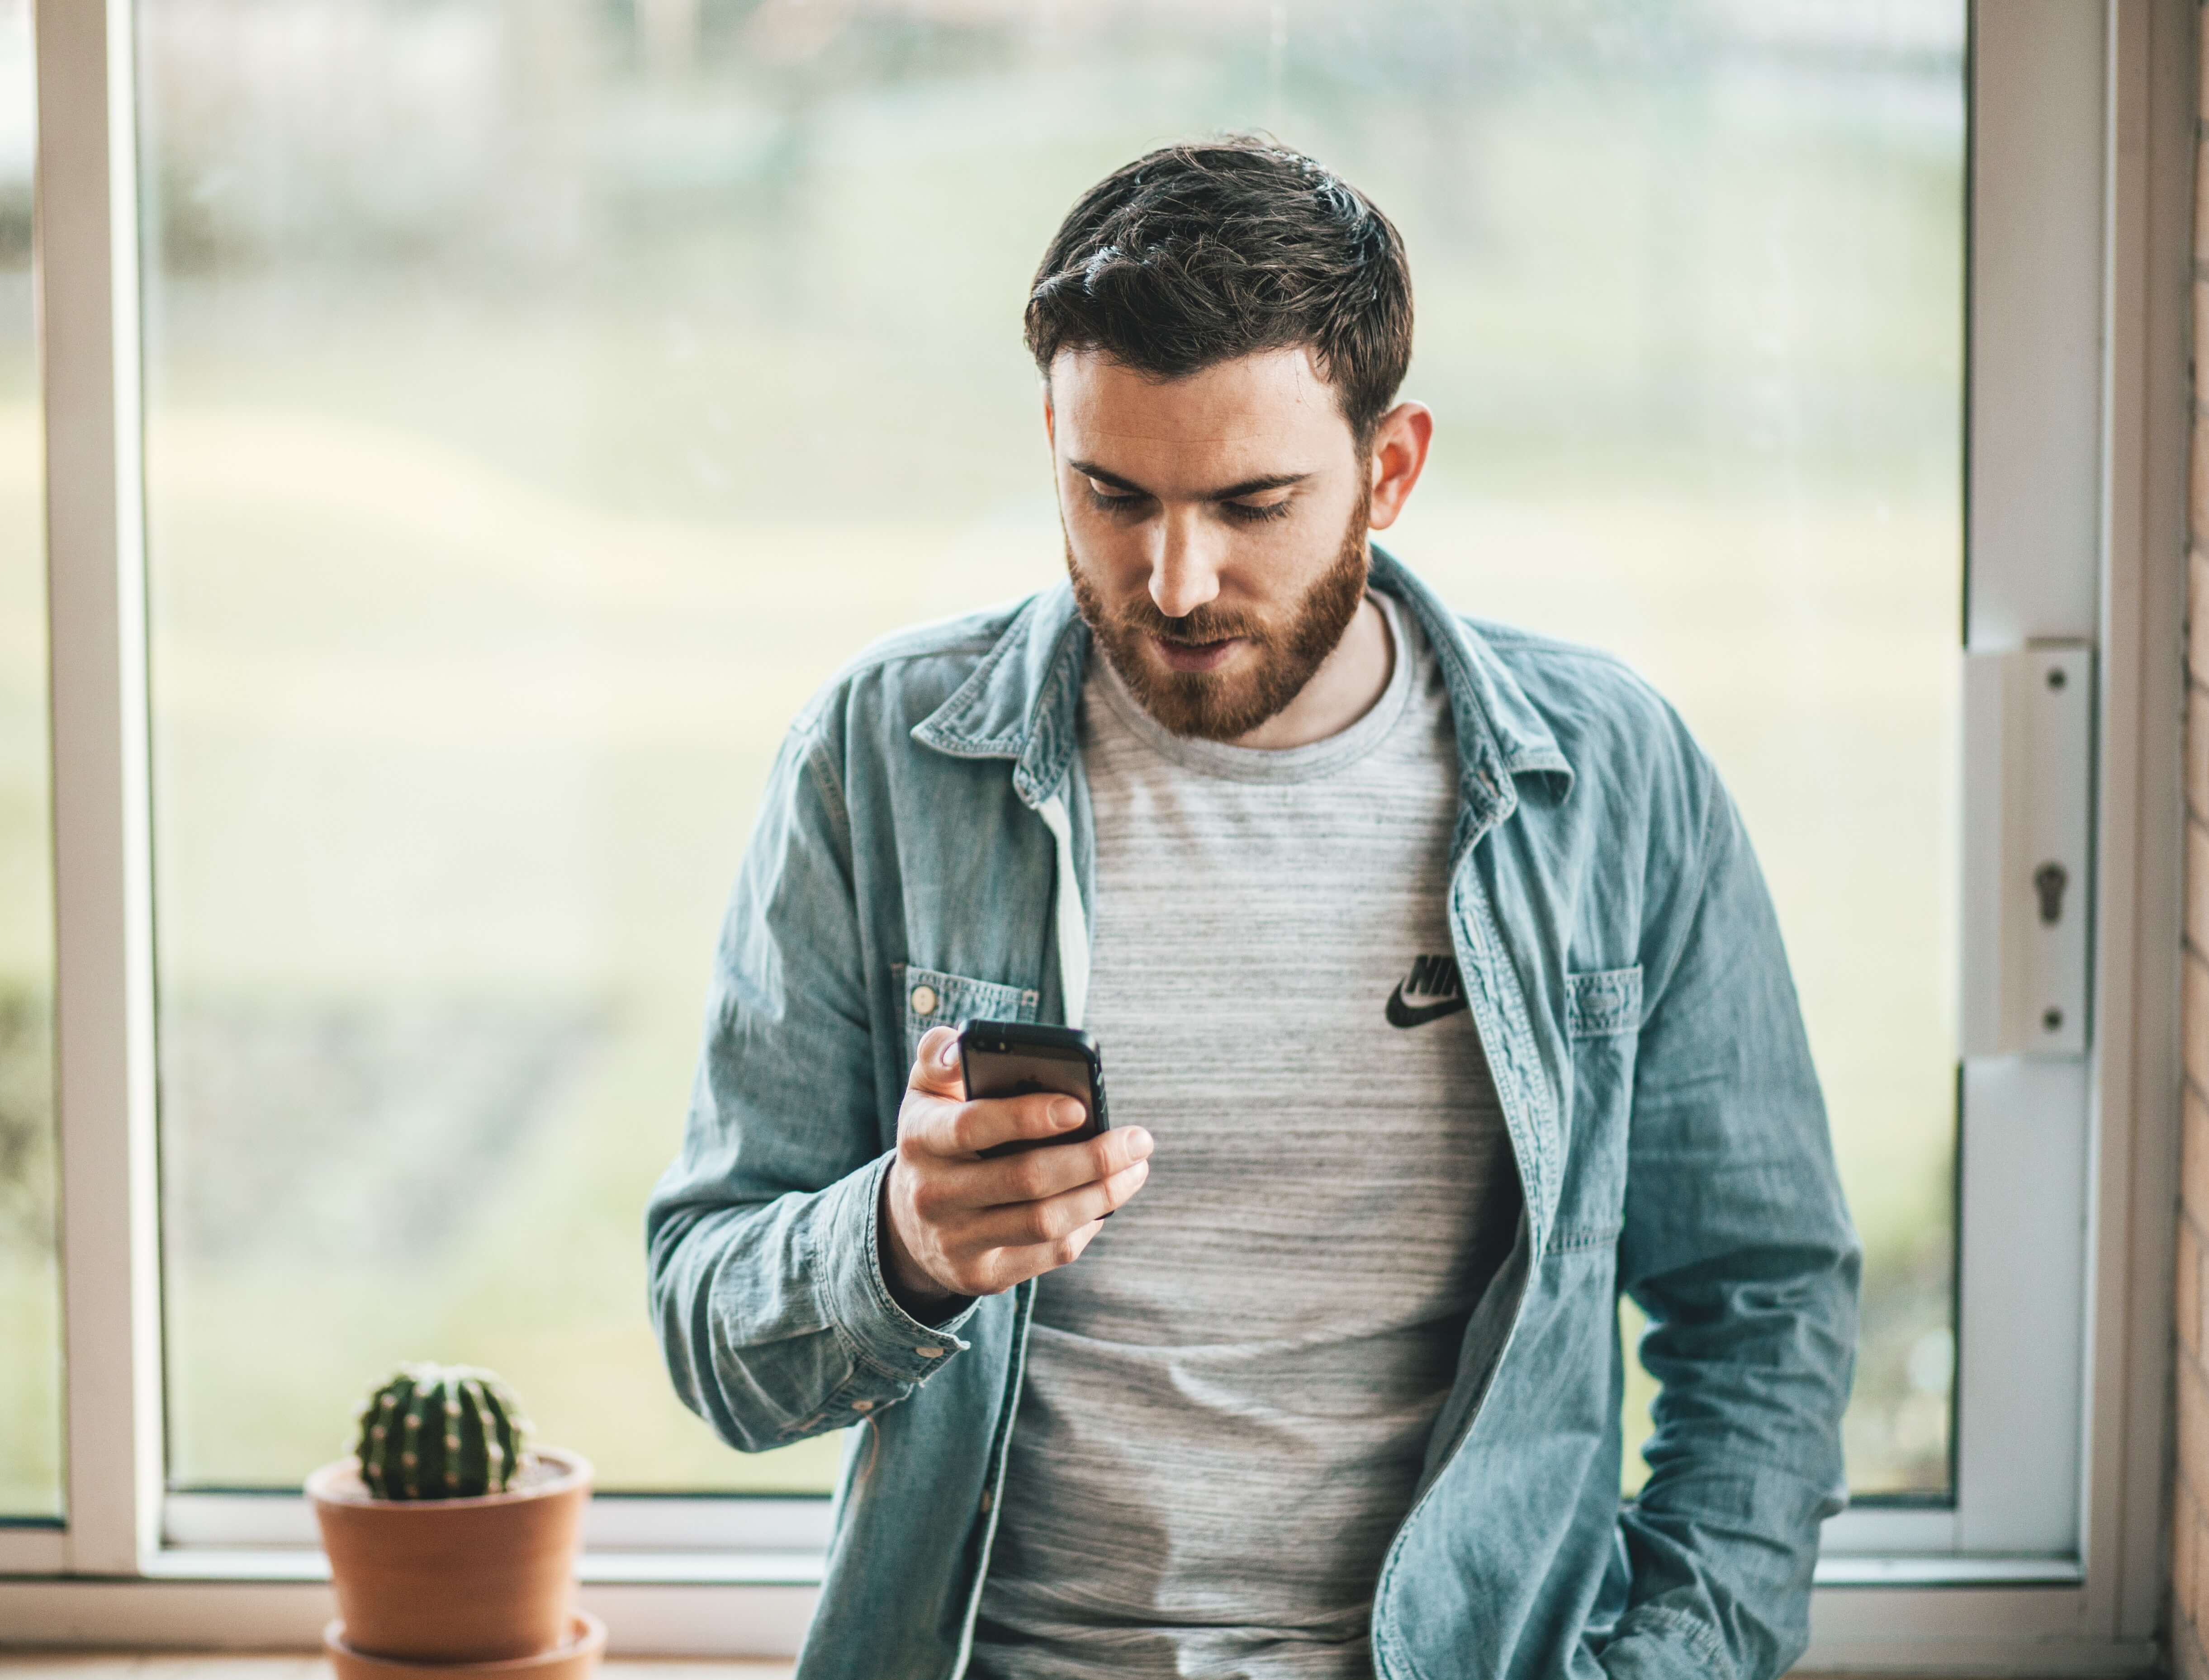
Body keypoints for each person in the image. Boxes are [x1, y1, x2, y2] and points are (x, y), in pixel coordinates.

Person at [646, 137, 1859, 1680]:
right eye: (1110, 494)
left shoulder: (1613, 783)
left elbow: (1762, 1301)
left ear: (1391, 468)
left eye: (1252, 502)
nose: (1170, 578)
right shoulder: (879, 759)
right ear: (1050, 441)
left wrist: (1676, 1662)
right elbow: (711, 1327)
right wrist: (898, 1244)